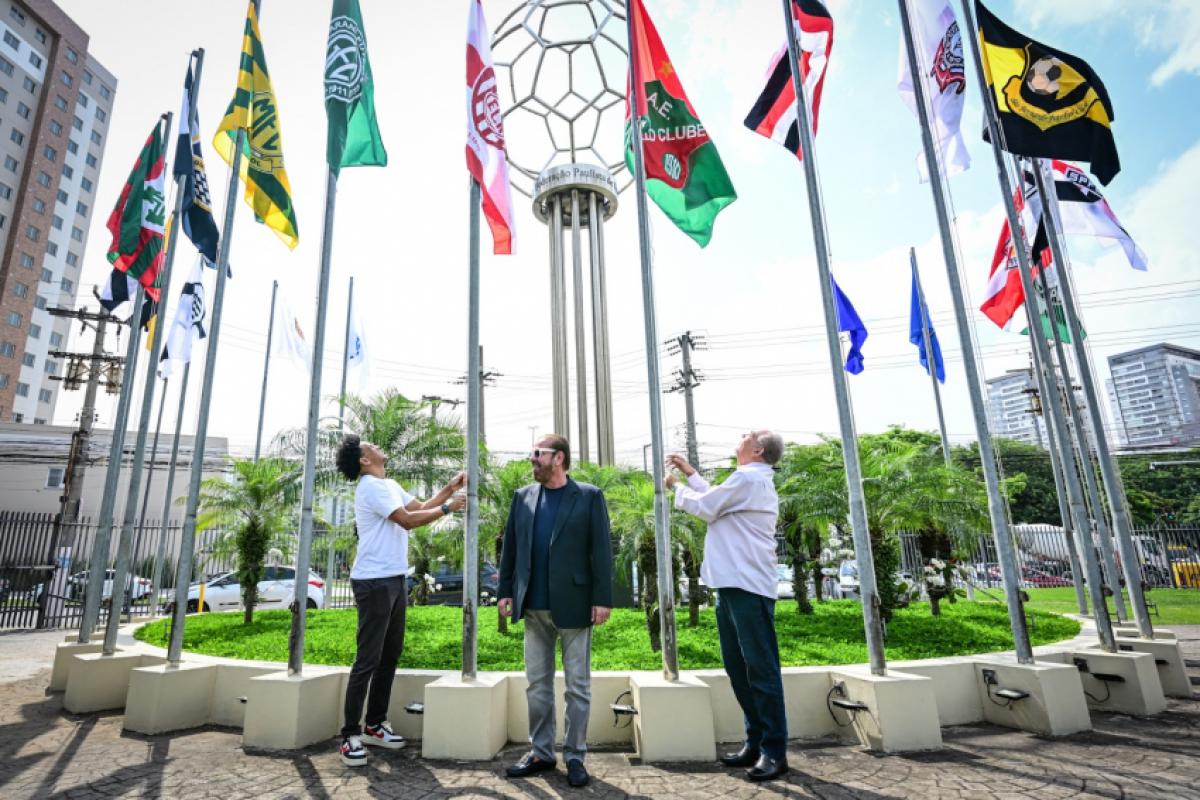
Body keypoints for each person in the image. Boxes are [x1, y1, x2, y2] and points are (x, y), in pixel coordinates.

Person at [334, 434, 466, 768]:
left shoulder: (387, 483)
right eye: (370, 445)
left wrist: (448, 489)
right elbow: (408, 522)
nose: (377, 446)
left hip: (393, 578)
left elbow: (418, 508)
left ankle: (374, 725)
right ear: (364, 459)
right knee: (368, 658)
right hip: (373, 581)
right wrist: (450, 508)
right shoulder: (371, 487)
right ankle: (349, 735)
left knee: (389, 655)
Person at [666, 430, 789, 782]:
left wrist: (676, 485)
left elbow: (706, 507)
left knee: (760, 670)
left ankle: (774, 750)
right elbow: (716, 498)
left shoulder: (749, 477)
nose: (738, 439)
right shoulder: (747, 482)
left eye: (746, 436)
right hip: (733, 585)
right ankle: (756, 741)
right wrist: (691, 474)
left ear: (758, 450)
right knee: (739, 669)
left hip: (747, 587)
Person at [498, 434, 613, 788]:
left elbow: (602, 550)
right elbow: (511, 549)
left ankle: (575, 756)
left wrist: (603, 598)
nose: (531, 458)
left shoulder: (589, 496)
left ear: (558, 458)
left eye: (537, 453)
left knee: (577, 686)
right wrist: (505, 592)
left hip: (576, 605)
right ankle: (541, 752)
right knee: (537, 686)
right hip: (532, 606)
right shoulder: (523, 497)